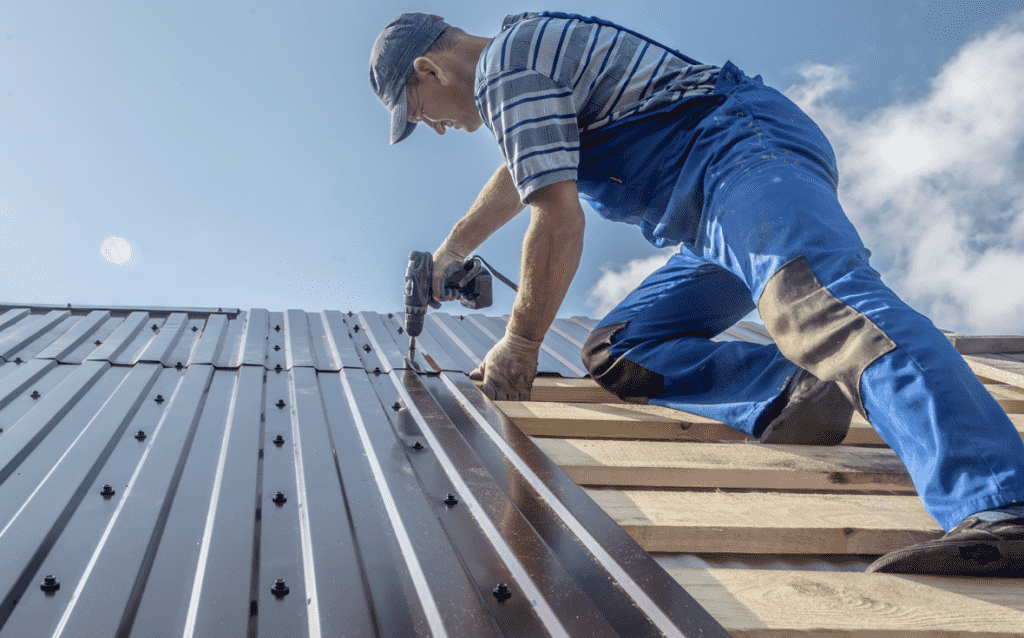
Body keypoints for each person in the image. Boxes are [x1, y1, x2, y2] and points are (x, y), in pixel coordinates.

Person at [369, 12, 1024, 576]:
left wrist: (521, 341)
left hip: (740, 157)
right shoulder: (522, 69)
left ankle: (998, 502)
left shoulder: (507, 68)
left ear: (429, 68)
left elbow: (557, 218)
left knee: (816, 303)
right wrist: (452, 251)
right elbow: (520, 175)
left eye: (418, 112)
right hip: (708, 214)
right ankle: (790, 390)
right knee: (620, 348)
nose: (433, 127)